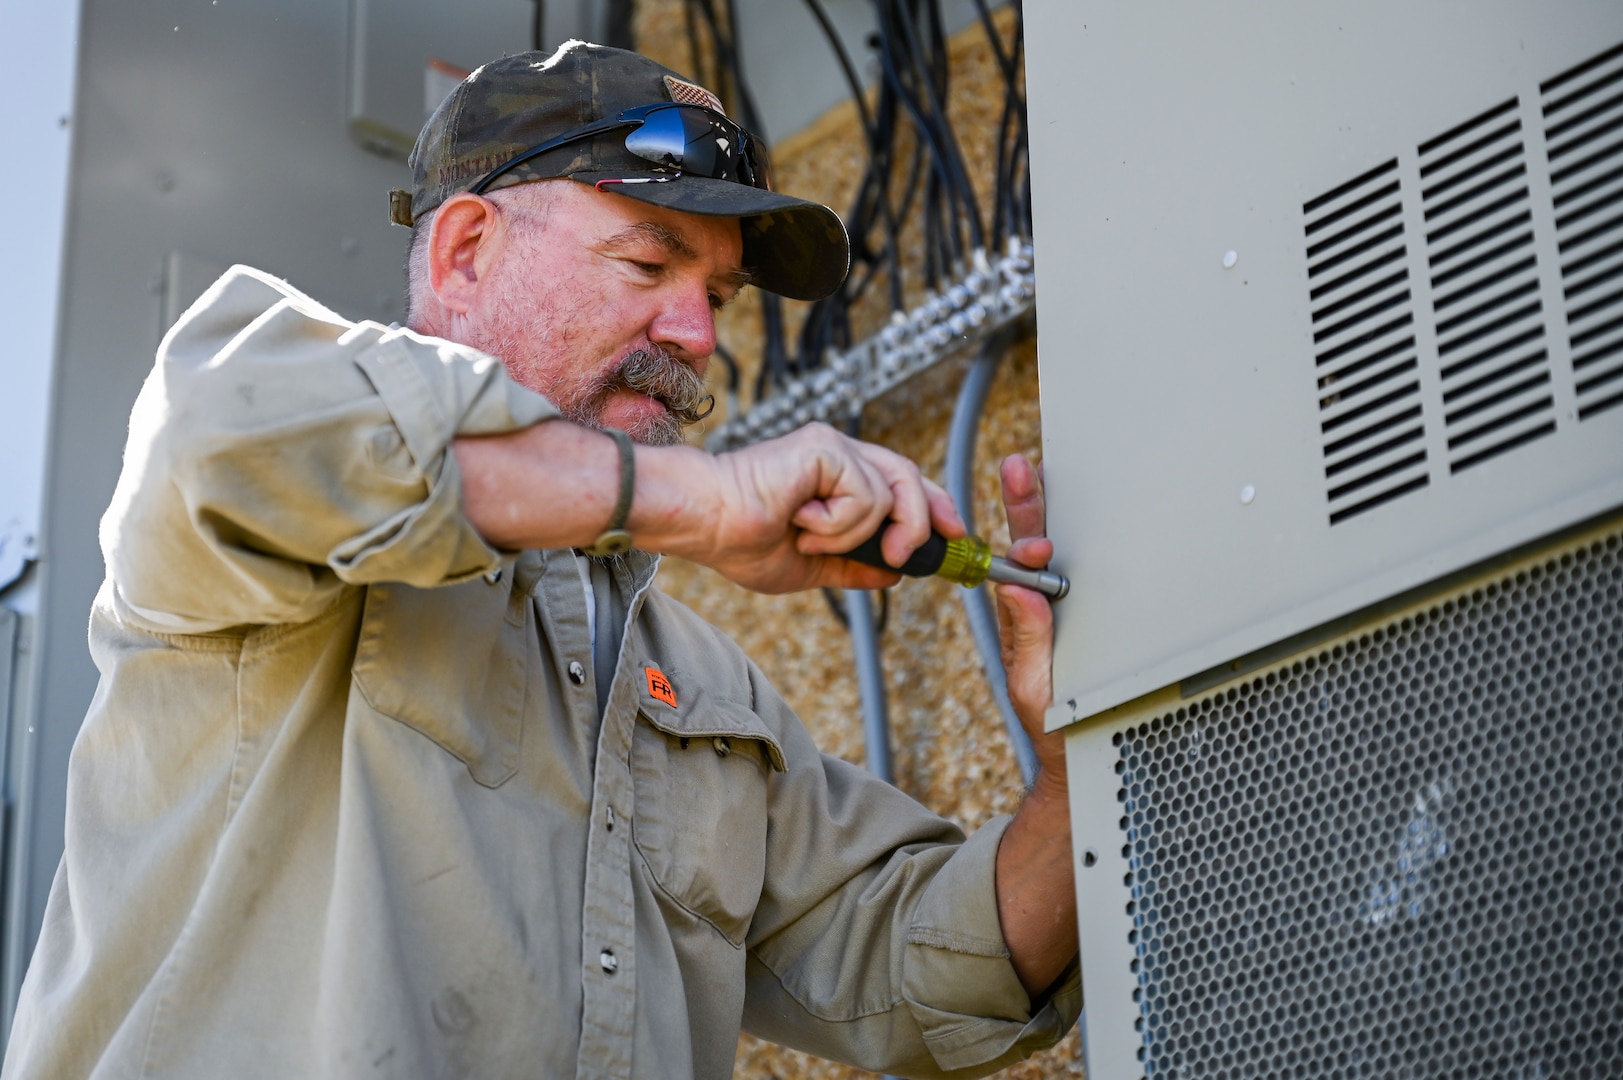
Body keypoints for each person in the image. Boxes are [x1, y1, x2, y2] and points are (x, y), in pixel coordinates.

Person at [2, 42, 1079, 1080]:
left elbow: (927, 965)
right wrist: (706, 501)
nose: (698, 333)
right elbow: (230, 432)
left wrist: (1078, 775)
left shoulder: (706, 695)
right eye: (651, 260)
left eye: (719, 295)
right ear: (466, 250)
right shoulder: (273, 453)